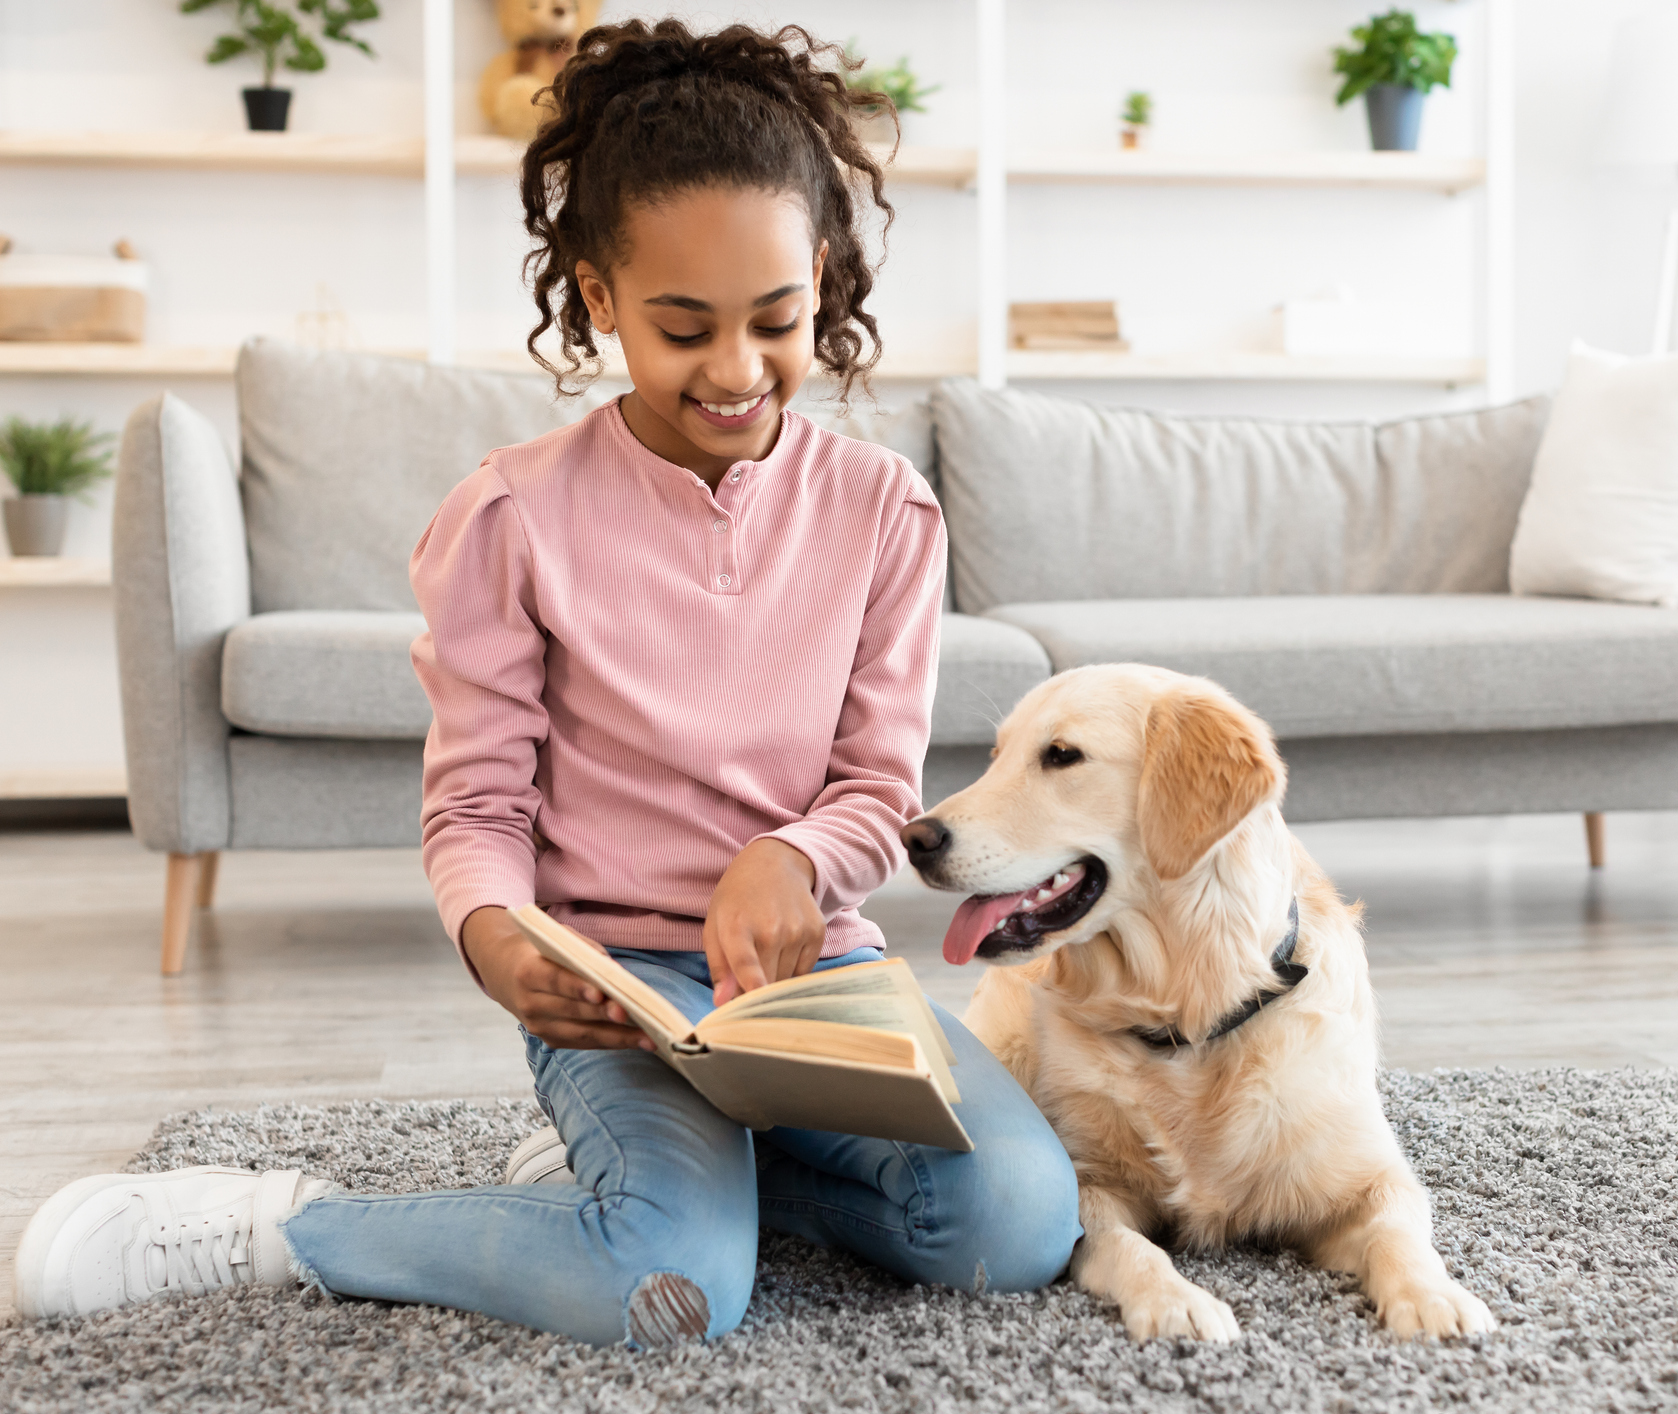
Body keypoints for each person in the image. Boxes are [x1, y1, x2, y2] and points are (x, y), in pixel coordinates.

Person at [14, 20, 1081, 1347]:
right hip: (617, 990)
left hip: (816, 995)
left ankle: (682, 1188)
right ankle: (281, 1221)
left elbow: (874, 785)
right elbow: (473, 809)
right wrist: (496, 935)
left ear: (818, 276)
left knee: (1020, 1225)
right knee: (664, 1294)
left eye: (775, 320)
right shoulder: (513, 517)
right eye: (682, 328)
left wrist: (795, 859)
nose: (737, 371)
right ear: (594, 295)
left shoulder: (883, 511)